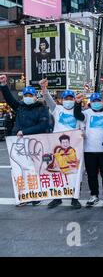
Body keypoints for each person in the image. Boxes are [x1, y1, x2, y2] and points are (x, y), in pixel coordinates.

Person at [0, 75, 51, 206]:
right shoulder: (20, 107)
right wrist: (4, 85)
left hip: (35, 143)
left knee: (34, 170)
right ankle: (23, 195)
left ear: (35, 97)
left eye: (30, 95)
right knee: (19, 170)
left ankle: (35, 195)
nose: (28, 97)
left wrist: (25, 132)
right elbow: (10, 99)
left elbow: (44, 125)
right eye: (26, 95)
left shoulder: (42, 108)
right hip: (19, 143)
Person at [39, 79, 83, 210]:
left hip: (74, 146)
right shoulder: (56, 109)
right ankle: (57, 197)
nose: (68, 100)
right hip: (57, 146)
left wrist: (83, 134)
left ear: (74, 99)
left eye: (71, 98)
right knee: (57, 171)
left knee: (75, 172)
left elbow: (82, 125)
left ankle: (75, 199)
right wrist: (44, 88)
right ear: (61, 100)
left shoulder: (78, 111)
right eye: (66, 98)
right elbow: (47, 99)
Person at [74, 93, 103, 208]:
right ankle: (94, 195)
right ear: (90, 102)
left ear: (102, 101)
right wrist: (77, 103)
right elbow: (77, 115)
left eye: (98, 100)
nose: (96, 103)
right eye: (94, 101)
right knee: (91, 175)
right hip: (89, 149)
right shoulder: (87, 113)